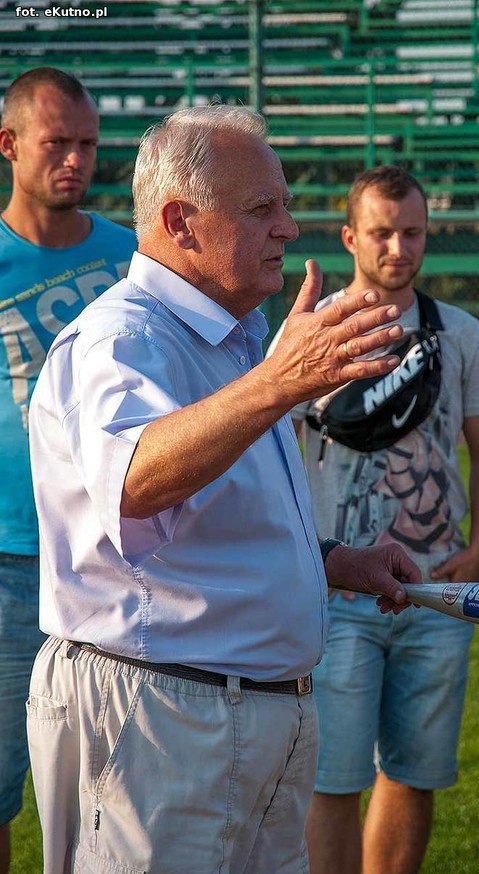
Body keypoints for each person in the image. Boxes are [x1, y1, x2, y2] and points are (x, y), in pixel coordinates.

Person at [26, 106, 421, 874]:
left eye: (284, 205)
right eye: (262, 208)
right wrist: (278, 383)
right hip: (166, 719)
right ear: (181, 221)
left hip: (239, 713)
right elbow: (135, 481)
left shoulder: (232, 338)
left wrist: (335, 560)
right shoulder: (124, 337)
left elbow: (217, 516)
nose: (288, 227)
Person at [272, 165, 479, 874]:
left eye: (412, 232)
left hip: (437, 590)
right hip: (340, 594)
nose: (398, 247)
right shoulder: (313, 332)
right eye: (381, 232)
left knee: (415, 771)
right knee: (334, 778)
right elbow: (268, 453)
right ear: (350, 237)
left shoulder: (458, 332)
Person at [0, 66, 136, 873]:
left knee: (115, 789)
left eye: (88, 144)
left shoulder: (132, 256)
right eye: (57, 144)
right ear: (8, 144)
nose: (76, 161)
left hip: (113, 562)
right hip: (8, 561)